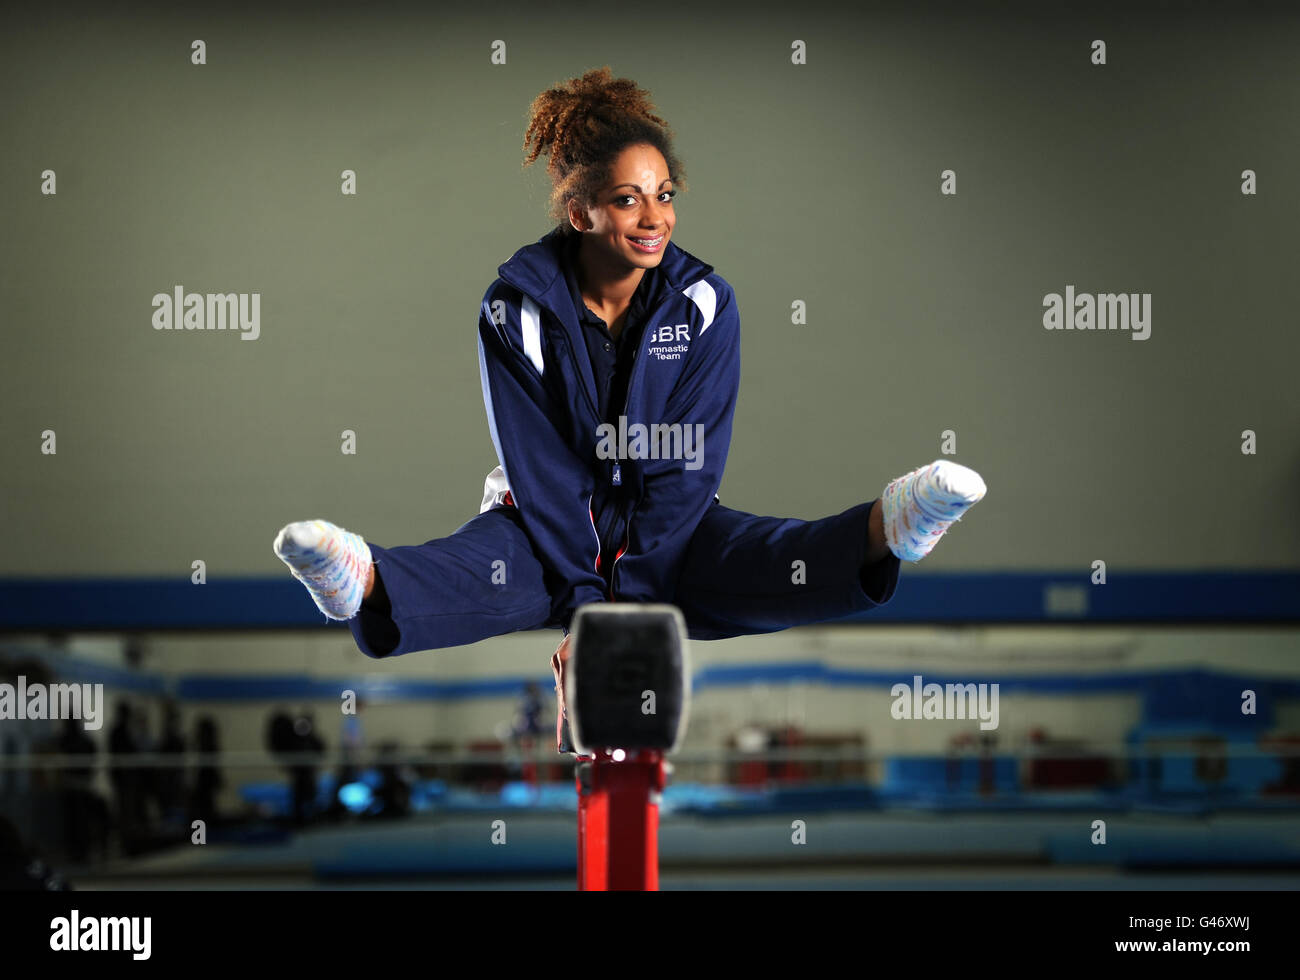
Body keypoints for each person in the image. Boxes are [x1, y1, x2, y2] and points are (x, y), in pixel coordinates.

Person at [272, 67, 987, 753]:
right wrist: (593, 612)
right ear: (580, 211)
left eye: (665, 194)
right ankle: (360, 579)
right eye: (627, 199)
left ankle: (887, 526)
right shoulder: (513, 308)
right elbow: (544, 473)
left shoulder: (706, 305)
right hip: (547, 532)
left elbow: (688, 467)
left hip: (666, 528)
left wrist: (628, 615)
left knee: (764, 558)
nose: (656, 219)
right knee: (481, 568)